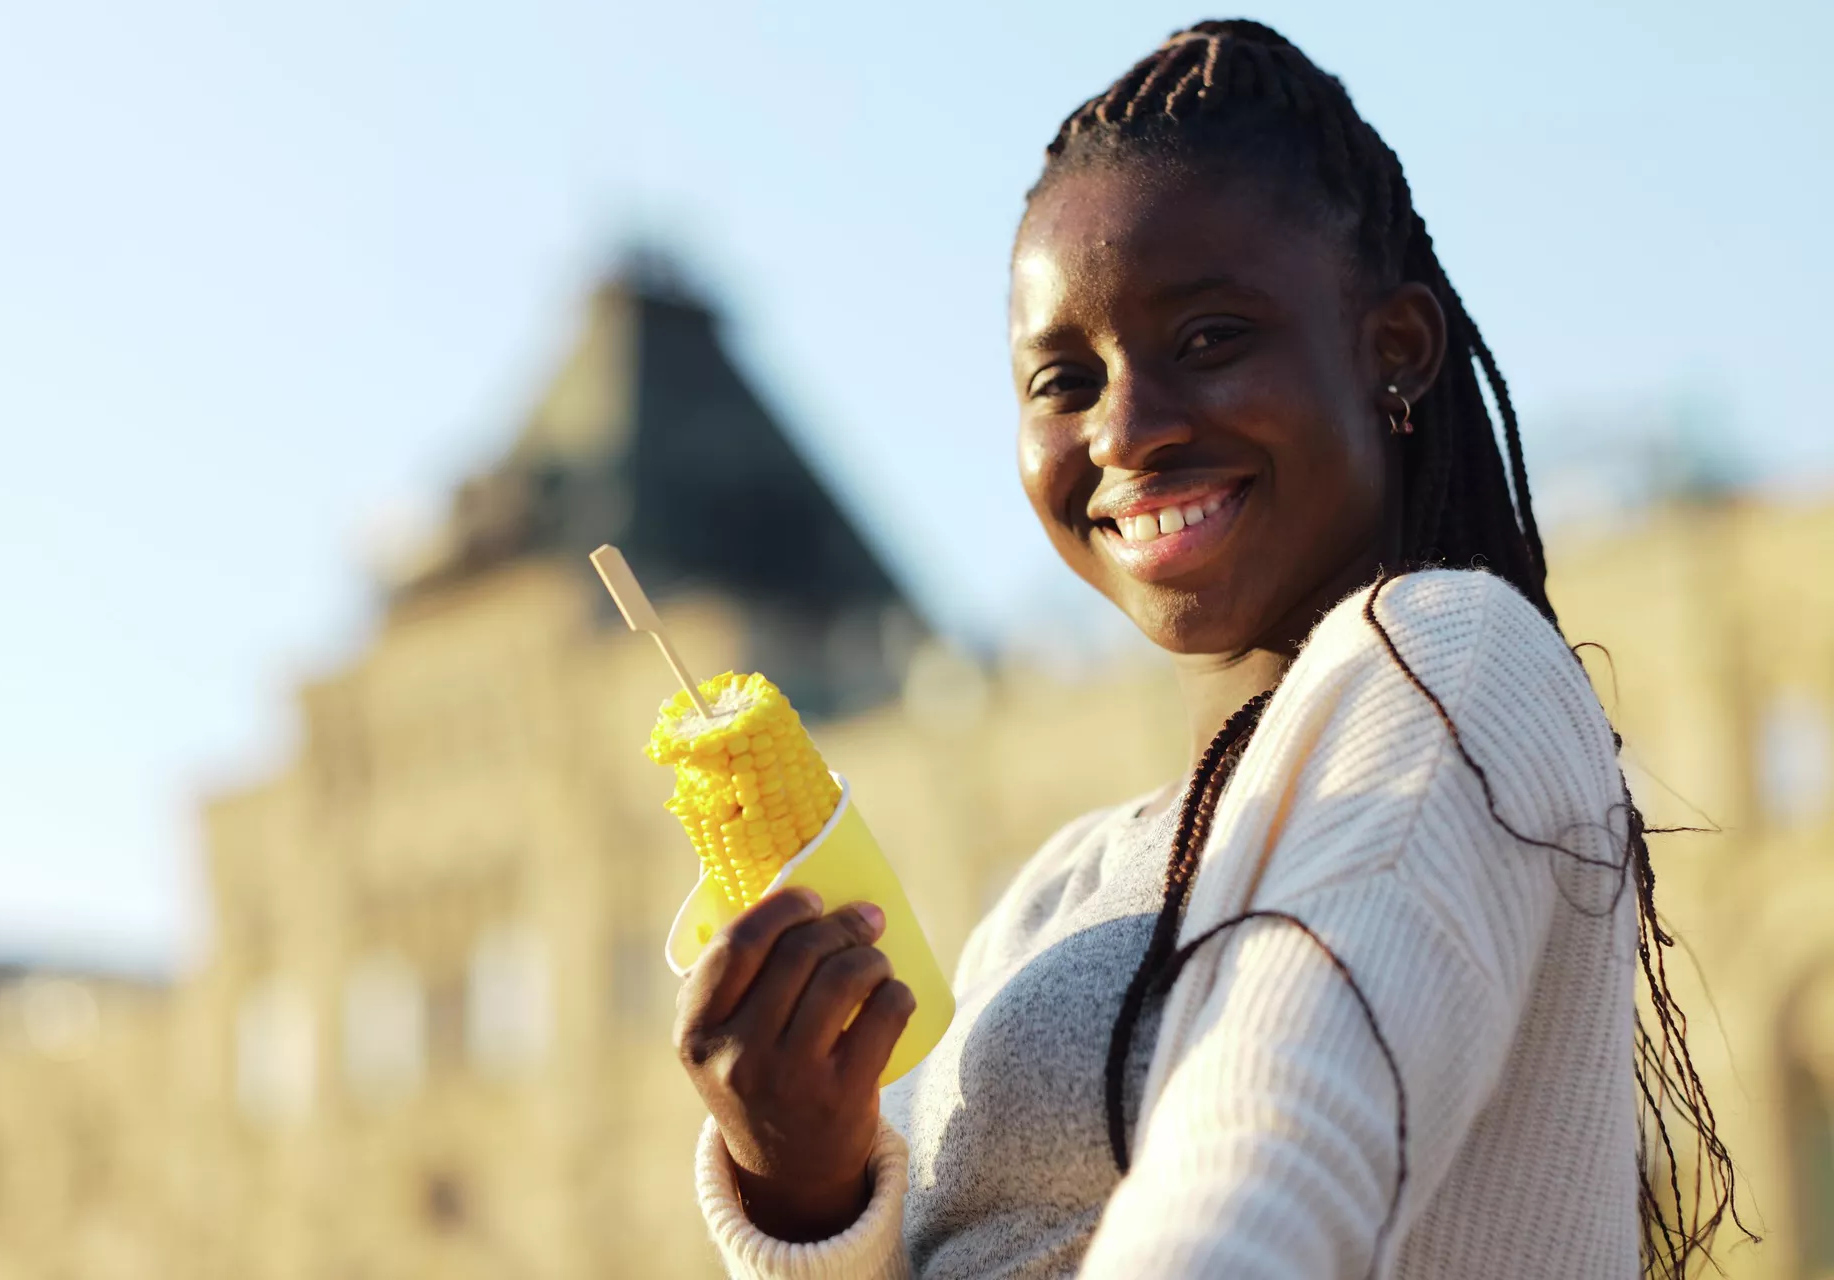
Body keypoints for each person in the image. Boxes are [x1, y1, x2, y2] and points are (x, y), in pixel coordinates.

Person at [673, 20, 1743, 1279]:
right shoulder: (1058, 882)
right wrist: (807, 1190)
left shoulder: (1448, 660)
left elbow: (1278, 1147)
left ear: (1394, 347)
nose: (1126, 431)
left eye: (1210, 340)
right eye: (1062, 380)